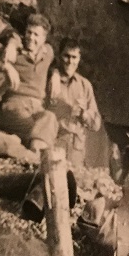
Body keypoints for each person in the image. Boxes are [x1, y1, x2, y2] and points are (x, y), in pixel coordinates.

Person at [0, 14, 59, 151]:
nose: (31, 38)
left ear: (44, 39)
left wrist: (55, 74)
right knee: (39, 131)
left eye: (36, 35)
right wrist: (7, 65)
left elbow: (55, 63)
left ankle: (32, 150)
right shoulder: (15, 51)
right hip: (14, 106)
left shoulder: (48, 52)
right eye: (29, 32)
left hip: (37, 108)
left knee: (50, 117)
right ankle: (37, 153)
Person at [46, 38, 102, 168]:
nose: (70, 61)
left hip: (76, 151)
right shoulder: (50, 81)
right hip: (54, 145)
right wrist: (54, 72)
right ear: (59, 56)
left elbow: (96, 124)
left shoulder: (84, 85)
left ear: (79, 58)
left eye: (74, 57)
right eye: (66, 56)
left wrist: (85, 114)